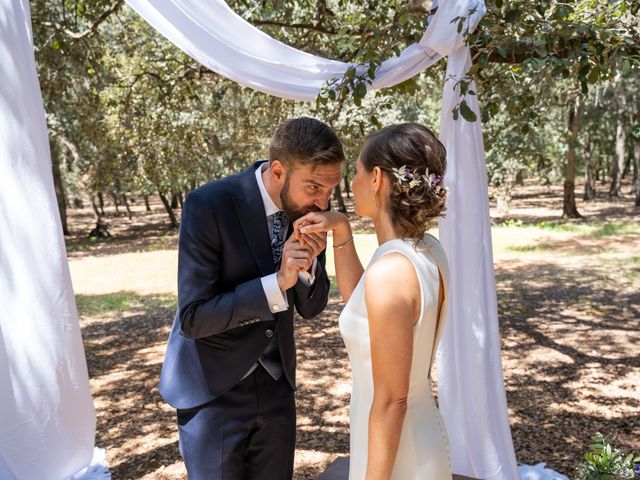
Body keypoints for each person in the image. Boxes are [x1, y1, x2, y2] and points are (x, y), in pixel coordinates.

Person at [158, 117, 345, 479]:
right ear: (278, 171)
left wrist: (307, 270)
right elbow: (194, 318)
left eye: (330, 189)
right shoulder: (209, 205)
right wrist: (277, 282)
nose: (323, 201)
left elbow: (311, 307)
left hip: (277, 391)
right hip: (212, 393)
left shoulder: (308, 212)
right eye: (313, 188)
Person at [295, 123, 451, 480]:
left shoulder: (390, 272)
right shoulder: (427, 250)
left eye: (357, 173)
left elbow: (392, 400)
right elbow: (362, 308)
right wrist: (341, 231)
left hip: (399, 455)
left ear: (377, 178)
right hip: (416, 434)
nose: (352, 185)